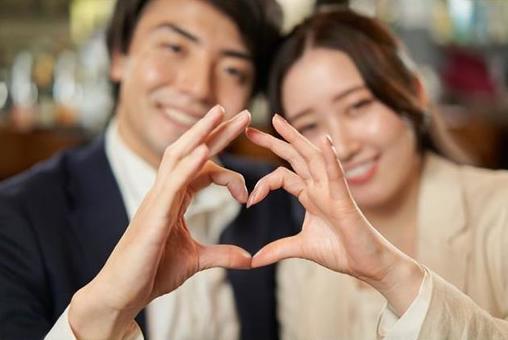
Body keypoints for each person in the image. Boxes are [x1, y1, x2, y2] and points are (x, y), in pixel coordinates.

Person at [0, 1, 298, 339]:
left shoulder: (278, 199)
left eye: (233, 70)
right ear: (117, 56)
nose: (198, 87)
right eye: (174, 47)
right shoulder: (16, 219)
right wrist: (104, 311)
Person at [244, 8, 508, 339]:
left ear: (416, 92)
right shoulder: (301, 265)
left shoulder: (500, 212)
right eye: (309, 125)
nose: (341, 146)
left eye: (358, 106)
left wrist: (390, 274)